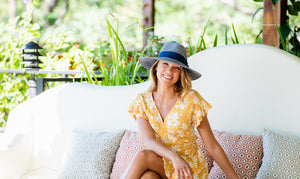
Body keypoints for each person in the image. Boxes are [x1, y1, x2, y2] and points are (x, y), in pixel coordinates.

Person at [123, 42, 239, 179]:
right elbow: (148, 141)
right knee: (148, 177)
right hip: (165, 163)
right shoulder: (142, 102)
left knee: (143, 156)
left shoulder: (191, 100)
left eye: (176, 68)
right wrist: (174, 157)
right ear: (156, 67)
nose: (169, 71)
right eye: (165, 64)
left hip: (188, 169)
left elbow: (212, 146)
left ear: (181, 73)